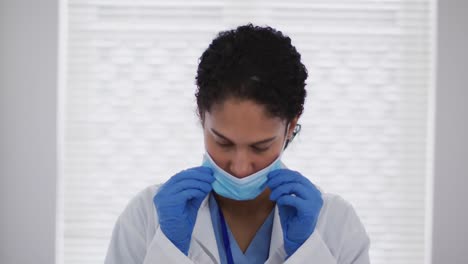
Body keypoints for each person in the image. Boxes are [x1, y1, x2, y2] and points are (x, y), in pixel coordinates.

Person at [104, 24, 370, 264]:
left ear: (291, 125)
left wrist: (307, 254)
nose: (241, 168)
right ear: (201, 114)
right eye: (223, 142)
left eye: (260, 147)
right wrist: (169, 251)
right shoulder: (145, 218)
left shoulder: (336, 224)